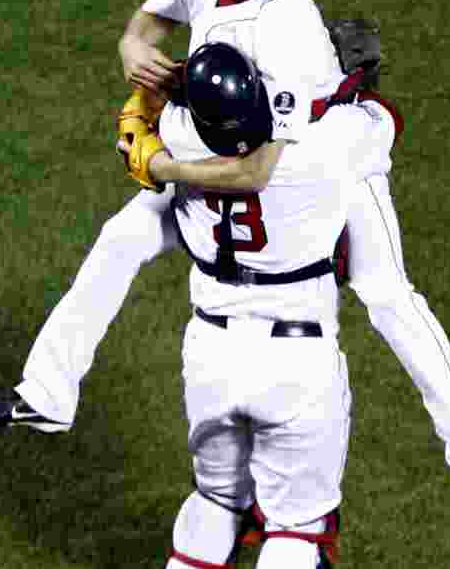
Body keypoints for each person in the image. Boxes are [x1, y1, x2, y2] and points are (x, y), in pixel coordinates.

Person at [0, 0, 450, 506]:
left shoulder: (288, 33)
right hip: (232, 149)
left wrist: (166, 167)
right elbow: (147, 25)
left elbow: (263, 169)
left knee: (386, 293)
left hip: (320, 158)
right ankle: (46, 395)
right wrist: (129, 50)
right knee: (122, 237)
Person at [154, 41, 384, 568]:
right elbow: (377, 118)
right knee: (296, 532)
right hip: (295, 361)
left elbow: (148, 117)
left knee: (213, 504)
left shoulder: (176, 143)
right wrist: (348, 81)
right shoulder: (325, 145)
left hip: (210, 353)